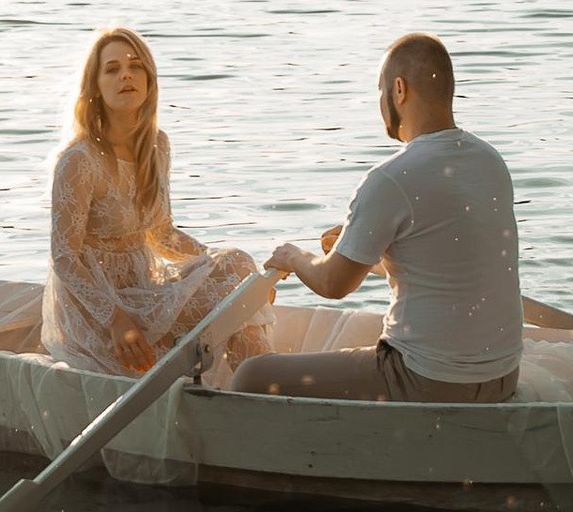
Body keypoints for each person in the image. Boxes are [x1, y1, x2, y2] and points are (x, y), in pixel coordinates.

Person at [230, 32, 520, 402]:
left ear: (399, 90)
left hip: (426, 376)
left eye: (380, 90)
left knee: (252, 375)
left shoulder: (390, 178)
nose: (380, 103)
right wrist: (368, 246)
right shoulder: (490, 161)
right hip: (502, 375)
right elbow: (445, 255)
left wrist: (292, 256)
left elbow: (333, 285)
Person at [42, 26, 272, 374]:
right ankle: (262, 386)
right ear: (95, 86)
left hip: (143, 290)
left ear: (149, 80)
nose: (126, 75)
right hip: (98, 310)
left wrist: (237, 279)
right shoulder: (79, 160)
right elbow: (64, 257)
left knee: (239, 265)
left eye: (135, 66)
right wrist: (115, 319)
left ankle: (258, 385)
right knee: (236, 290)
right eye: (112, 69)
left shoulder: (156, 145)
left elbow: (162, 235)